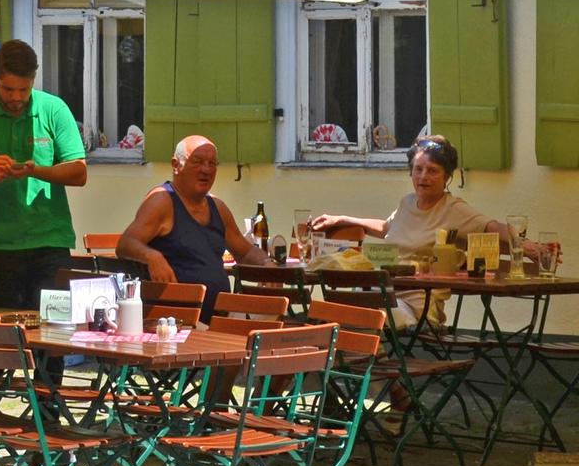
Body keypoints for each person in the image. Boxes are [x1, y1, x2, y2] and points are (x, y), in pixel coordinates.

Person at [311, 134, 529, 326]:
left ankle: (371, 356)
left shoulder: (453, 209)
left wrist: (528, 246)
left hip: (418, 307)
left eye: (432, 171)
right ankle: (368, 357)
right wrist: (342, 219)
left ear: (447, 177)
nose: (423, 177)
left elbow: (493, 227)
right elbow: (386, 228)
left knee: (355, 315)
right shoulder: (407, 203)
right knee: (329, 310)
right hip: (381, 294)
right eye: (418, 169)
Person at [0, 39, 88, 310]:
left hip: (51, 243)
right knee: (3, 331)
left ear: (33, 80)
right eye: (8, 89)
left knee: (54, 328)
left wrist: (35, 171)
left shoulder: (54, 109)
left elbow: (79, 173)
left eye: (24, 90)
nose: (16, 97)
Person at [116, 135, 267, 323]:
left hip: (219, 319)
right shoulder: (162, 201)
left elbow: (245, 252)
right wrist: (152, 256)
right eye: (197, 162)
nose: (206, 169)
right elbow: (125, 244)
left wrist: (267, 264)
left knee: (271, 325)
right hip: (176, 323)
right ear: (175, 165)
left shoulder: (217, 207)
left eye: (212, 163)